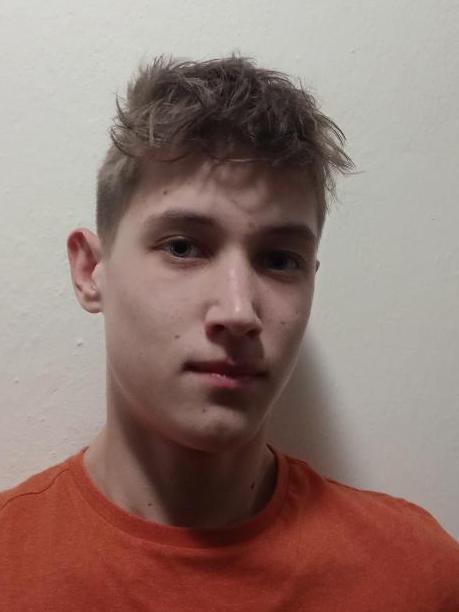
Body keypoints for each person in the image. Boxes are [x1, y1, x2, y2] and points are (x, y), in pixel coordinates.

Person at [1, 54, 458, 611]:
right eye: (183, 247)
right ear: (90, 271)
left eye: (280, 260)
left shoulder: (418, 579)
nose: (239, 311)